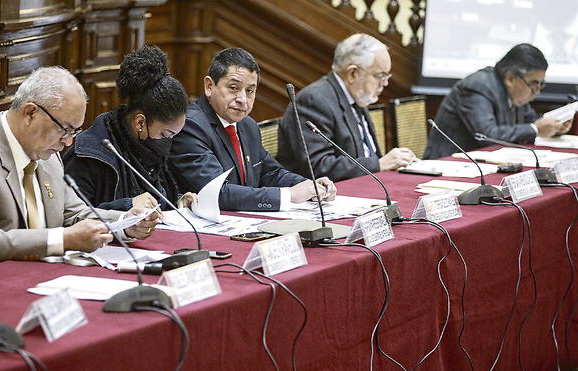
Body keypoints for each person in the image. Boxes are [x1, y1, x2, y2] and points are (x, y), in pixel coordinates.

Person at [0, 66, 157, 276]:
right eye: (65, 129)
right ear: (30, 113)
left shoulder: (47, 154)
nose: (69, 142)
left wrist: (125, 223)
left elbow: (75, 214)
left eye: (75, 131)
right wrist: (63, 239)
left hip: (41, 280)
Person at [168, 48, 337, 211]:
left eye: (250, 91)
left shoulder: (247, 125)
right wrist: (289, 195)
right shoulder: (191, 126)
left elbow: (271, 173)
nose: (242, 99)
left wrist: (309, 186)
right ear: (209, 86)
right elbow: (217, 193)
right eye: (233, 88)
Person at [64, 45, 195, 212]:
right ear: (140, 122)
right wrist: (127, 207)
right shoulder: (89, 154)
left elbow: (156, 197)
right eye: (165, 134)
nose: (169, 142)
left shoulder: (148, 149)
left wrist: (177, 201)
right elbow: (72, 217)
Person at [277, 33, 415, 181]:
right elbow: (318, 166)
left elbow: (367, 154)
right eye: (380, 76)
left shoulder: (357, 96)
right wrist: (378, 164)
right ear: (353, 73)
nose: (385, 83)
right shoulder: (314, 100)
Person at [423, 43, 571, 159]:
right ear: (510, 78)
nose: (537, 92)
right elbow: (487, 136)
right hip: (446, 165)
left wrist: (555, 127)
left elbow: (531, 120)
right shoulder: (477, 87)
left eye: (541, 84)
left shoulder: (517, 91)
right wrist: (537, 129)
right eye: (533, 84)